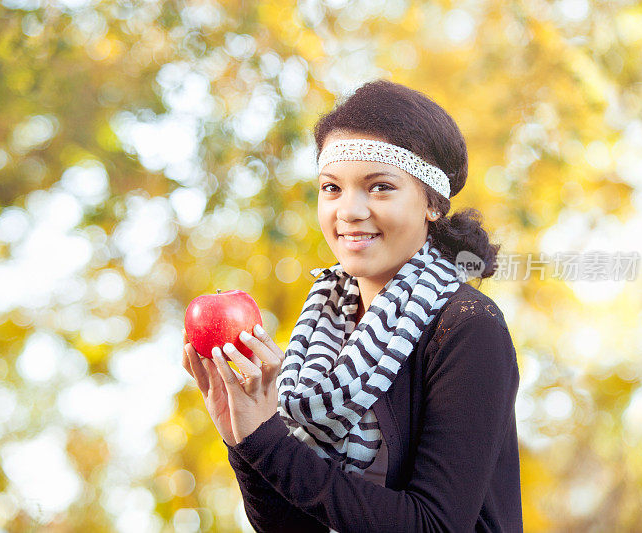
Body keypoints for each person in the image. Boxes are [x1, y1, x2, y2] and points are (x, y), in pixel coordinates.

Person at [182, 79, 523, 532]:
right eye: (331, 188)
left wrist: (272, 445)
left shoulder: (466, 326)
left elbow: (435, 525)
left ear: (433, 204)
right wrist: (245, 437)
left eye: (380, 187)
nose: (349, 210)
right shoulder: (324, 332)